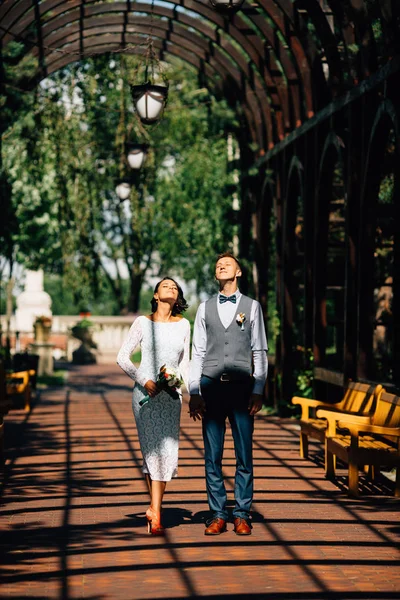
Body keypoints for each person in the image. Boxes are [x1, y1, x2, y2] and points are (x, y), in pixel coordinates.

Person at [189, 253, 268, 536]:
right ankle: (218, 514)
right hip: (210, 386)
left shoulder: (252, 307)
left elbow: (259, 350)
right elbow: (197, 352)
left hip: (241, 387)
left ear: (239, 272)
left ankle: (242, 513)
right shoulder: (204, 308)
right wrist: (194, 390)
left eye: (227, 263)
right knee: (213, 455)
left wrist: (258, 389)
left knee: (244, 454)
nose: (220, 266)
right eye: (217, 264)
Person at [117, 277, 190, 535]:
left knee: (167, 454)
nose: (171, 288)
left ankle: (153, 508)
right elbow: (122, 357)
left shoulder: (184, 325)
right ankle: (156, 513)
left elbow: (184, 363)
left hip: (171, 397)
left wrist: (190, 392)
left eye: (174, 286)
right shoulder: (142, 323)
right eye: (165, 286)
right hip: (145, 396)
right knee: (152, 453)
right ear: (156, 295)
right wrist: (143, 379)